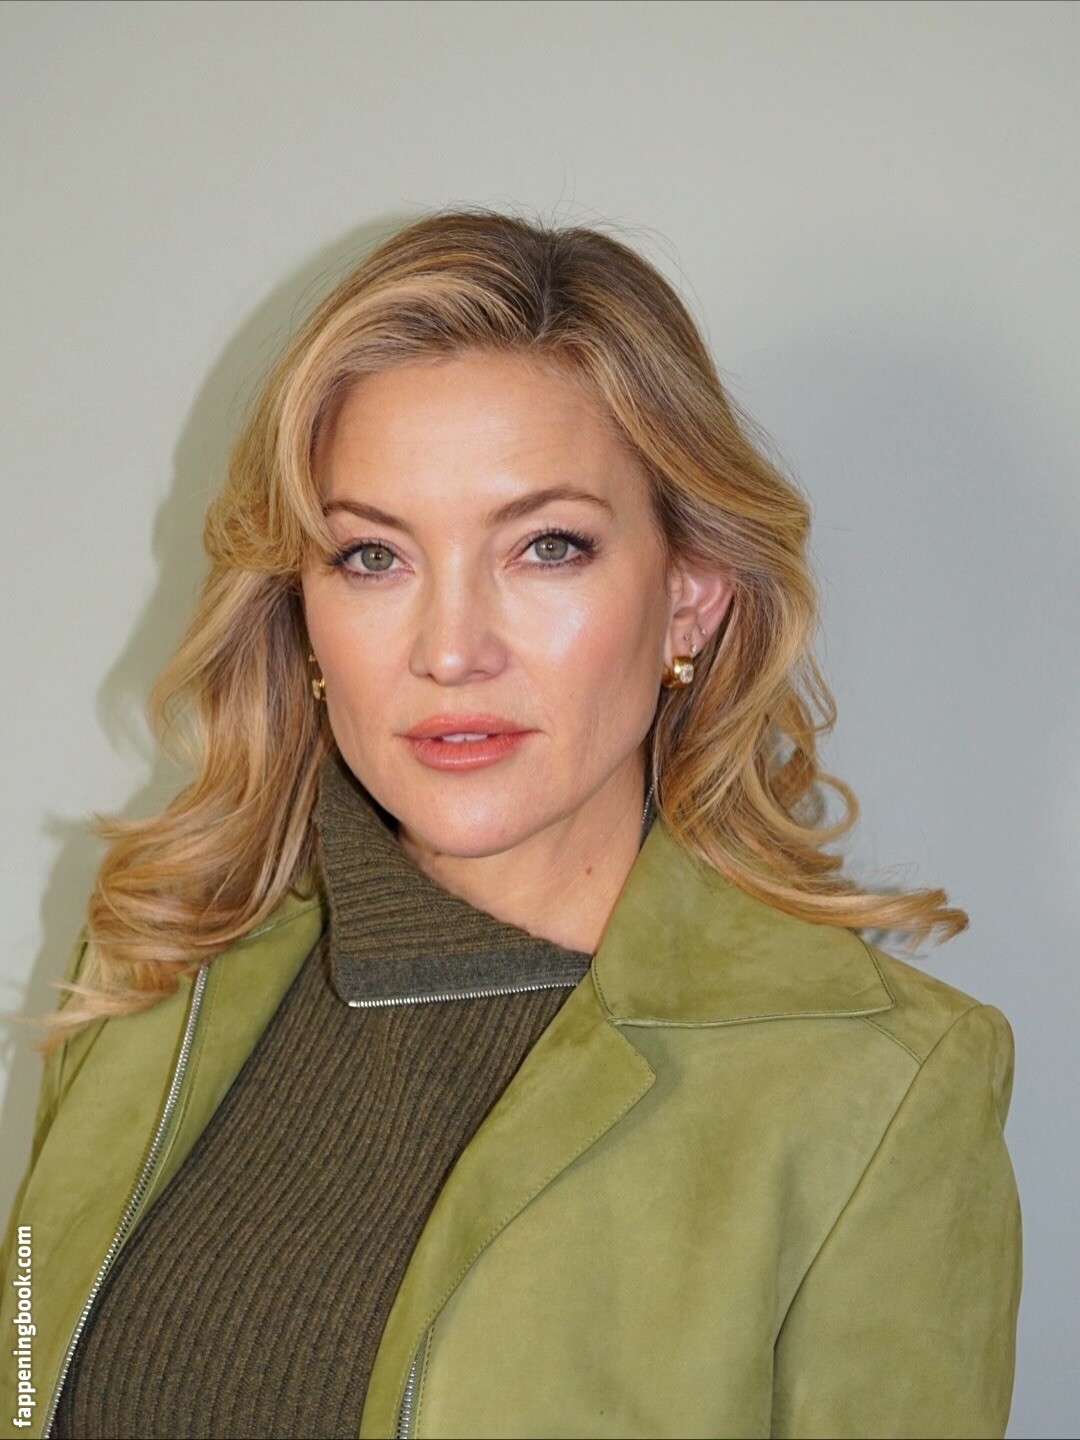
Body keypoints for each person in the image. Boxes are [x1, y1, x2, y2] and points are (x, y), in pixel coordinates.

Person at [0, 207, 1021, 1440]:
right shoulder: (152, 971)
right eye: (371, 557)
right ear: (301, 610)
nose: (450, 650)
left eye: (547, 547)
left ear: (690, 595)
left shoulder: (877, 1093)